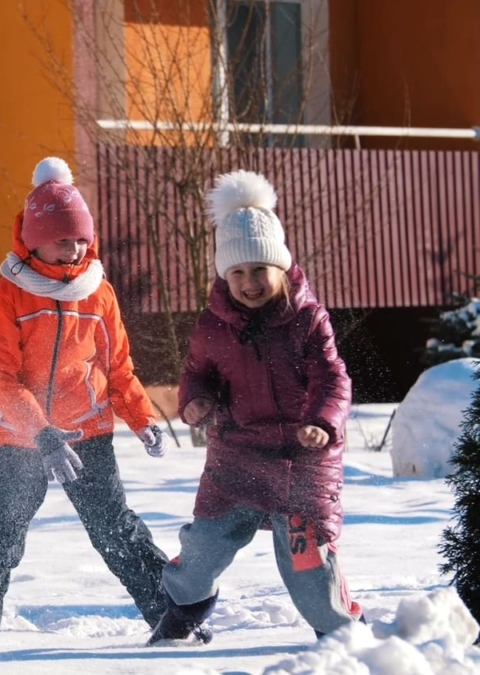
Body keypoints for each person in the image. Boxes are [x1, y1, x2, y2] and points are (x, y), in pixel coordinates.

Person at [0, 156, 173, 633]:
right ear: (34, 240)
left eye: (80, 239)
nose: (74, 249)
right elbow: (0, 379)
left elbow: (117, 366)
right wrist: (41, 433)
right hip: (18, 438)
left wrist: (142, 418)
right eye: (62, 240)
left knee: (115, 530)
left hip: (87, 431)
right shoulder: (8, 295)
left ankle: (175, 614)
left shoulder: (99, 294)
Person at [149, 169, 364, 645]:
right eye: (238, 272)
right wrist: (196, 400)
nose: (249, 282)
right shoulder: (213, 325)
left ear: (281, 267)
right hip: (238, 457)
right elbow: (197, 372)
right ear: (225, 275)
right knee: (202, 552)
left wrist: (322, 422)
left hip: (301, 461)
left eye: (259, 269)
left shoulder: (308, 320)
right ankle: (181, 619)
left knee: (309, 571)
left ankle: (346, 641)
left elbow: (333, 377)